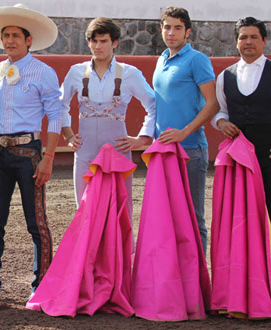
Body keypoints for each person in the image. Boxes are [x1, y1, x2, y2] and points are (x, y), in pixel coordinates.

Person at [0, 4, 63, 301]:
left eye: (15, 35)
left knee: (35, 221)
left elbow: (56, 114)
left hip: (29, 153)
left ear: (29, 41)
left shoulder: (44, 71)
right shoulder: (1, 69)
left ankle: (42, 285)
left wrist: (49, 157)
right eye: (5, 36)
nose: (9, 40)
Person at [60, 17, 156, 217]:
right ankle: (89, 249)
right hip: (85, 149)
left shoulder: (131, 73)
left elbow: (153, 104)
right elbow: (60, 104)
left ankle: (122, 249)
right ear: (89, 43)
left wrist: (142, 138)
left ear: (114, 43)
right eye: (94, 41)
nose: (97, 46)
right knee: (85, 208)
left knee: (120, 206)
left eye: (103, 41)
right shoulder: (76, 72)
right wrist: (68, 135)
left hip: (117, 149)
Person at [153, 7, 219, 253]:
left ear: (187, 32)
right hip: (164, 151)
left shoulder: (197, 59)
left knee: (193, 217)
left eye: (177, 27)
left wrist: (184, 132)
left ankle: (199, 282)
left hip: (190, 149)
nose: (171, 32)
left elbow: (212, 104)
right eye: (167, 27)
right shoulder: (161, 59)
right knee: (168, 218)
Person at [212, 16, 271, 214]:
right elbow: (219, 110)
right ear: (236, 42)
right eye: (243, 37)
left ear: (264, 41)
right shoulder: (225, 76)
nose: (248, 42)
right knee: (242, 212)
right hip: (238, 156)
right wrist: (221, 123)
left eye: (254, 37)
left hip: (268, 155)